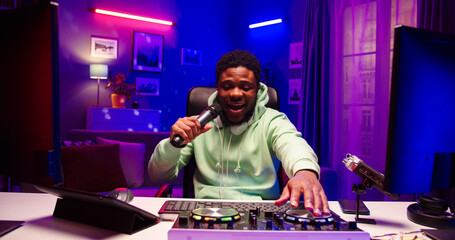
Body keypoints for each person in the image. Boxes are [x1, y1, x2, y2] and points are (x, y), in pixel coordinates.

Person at [149, 50, 330, 216]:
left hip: (260, 213)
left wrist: (305, 172)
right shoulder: (197, 124)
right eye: (227, 86)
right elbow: (157, 175)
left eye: (245, 87)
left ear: (257, 90)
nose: (236, 94)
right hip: (205, 211)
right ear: (217, 89)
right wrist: (173, 144)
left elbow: (292, 144)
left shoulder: (273, 120)